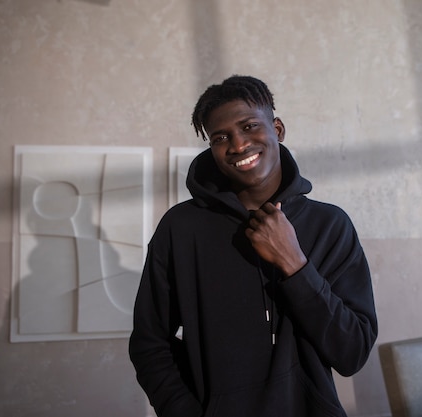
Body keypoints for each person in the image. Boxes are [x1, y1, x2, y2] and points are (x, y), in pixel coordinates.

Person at [129, 75, 378, 417]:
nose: (238, 144)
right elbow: (149, 342)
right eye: (221, 137)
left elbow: (352, 353)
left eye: (249, 126)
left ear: (277, 129)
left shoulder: (329, 226)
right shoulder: (181, 228)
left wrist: (295, 264)